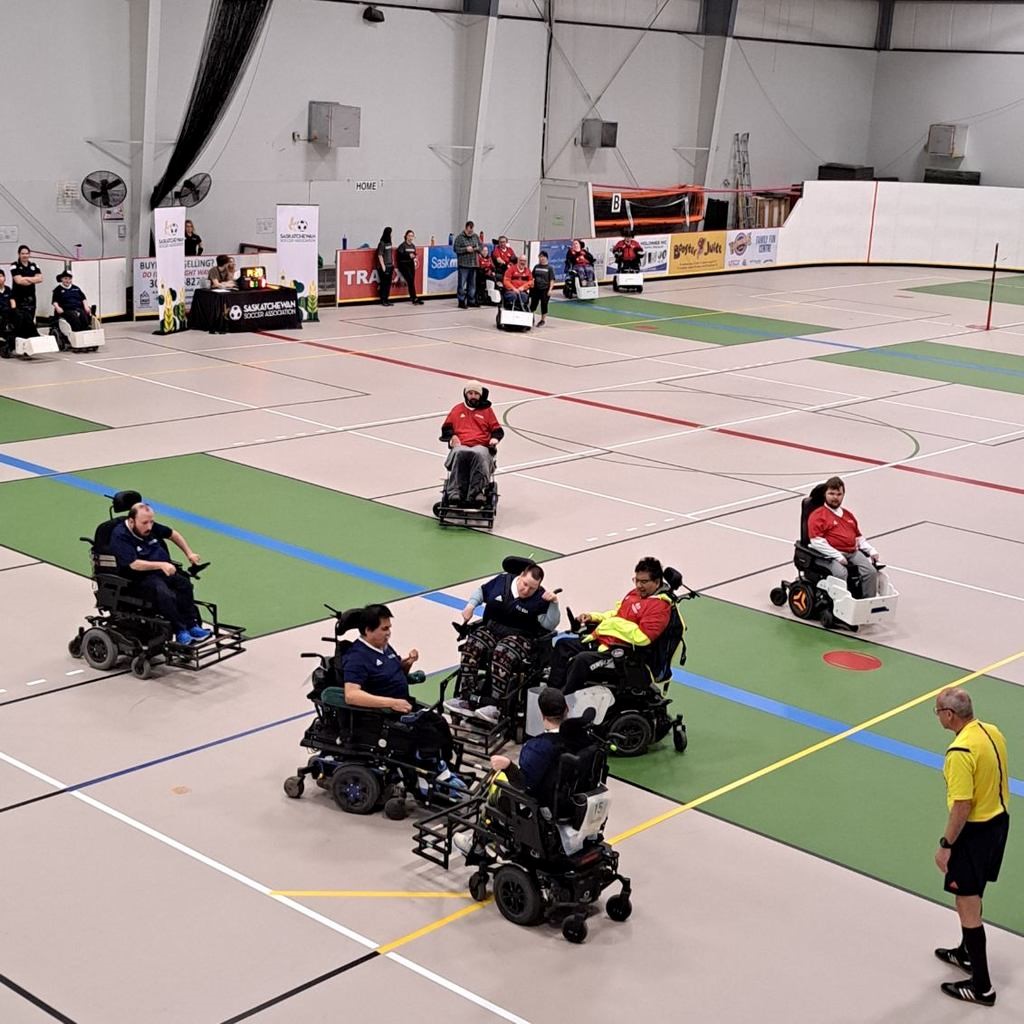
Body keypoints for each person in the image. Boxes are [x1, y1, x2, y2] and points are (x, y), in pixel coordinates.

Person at [933, 687, 1009, 1007]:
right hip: (999, 822)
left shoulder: (960, 751)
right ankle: (965, 953)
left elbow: (961, 805)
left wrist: (946, 844)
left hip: (974, 834)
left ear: (950, 715)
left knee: (967, 904)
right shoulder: (991, 732)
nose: (937, 716)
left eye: (937, 711)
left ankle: (982, 987)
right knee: (975, 894)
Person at [342, 604, 461, 787]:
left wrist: (407, 664)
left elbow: (396, 674)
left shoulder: (383, 647)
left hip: (403, 705)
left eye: (389, 628)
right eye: (384, 629)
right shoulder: (357, 658)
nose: (389, 633)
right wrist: (391, 703)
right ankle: (428, 775)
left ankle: (445, 767)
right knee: (428, 734)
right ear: (368, 630)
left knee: (440, 723)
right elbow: (352, 695)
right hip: (382, 715)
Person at [454, 687, 569, 861]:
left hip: (540, 806)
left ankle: (477, 845)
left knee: (495, 786)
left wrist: (507, 766)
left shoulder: (537, 747)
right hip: (566, 801)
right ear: (566, 709)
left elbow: (523, 784)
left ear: (541, 713)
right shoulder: (579, 741)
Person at [444, 562, 560, 723]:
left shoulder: (540, 598)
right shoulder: (502, 582)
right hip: (493, 629)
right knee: (473, 643)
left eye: (532, 588)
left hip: (521, 638)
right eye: (525, 584)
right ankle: (466, 697)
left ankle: (495, 706)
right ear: (520, 576)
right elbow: (481, 591)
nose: (526, 590)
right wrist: (470, 606)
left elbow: (549, 624)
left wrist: (554, 603)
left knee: (502, 651)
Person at [547, 557, 674, 693]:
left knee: (581, 661)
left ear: (657, 582)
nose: (638, 586)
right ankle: (551, 692)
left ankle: (561, 702)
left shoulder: (660, 607)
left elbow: (643, 637)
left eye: (643, 582)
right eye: (636, 580)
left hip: (623, 654)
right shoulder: (635, 594)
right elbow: (617, 614)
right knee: (563, 645)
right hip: (604, 641)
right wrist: (594, 617)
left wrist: (613, 625)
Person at [108, 502, 213, 647]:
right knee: (163, 592)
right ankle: (180, 630)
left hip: (161, 571)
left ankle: (192, 626)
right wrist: (161, 565)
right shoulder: (120, 535)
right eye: (145, 523)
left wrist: (189, 553)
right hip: (137, 578)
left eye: (151, 521)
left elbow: (173, 534)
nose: (149, 527)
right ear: (132, 521)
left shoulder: (149, 527)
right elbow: (133, 564)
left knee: (184, 584)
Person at [806, 476, 880, 598]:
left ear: (843, 495)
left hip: (852, 552)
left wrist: (871, 550)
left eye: (839, 494)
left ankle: (868, 602)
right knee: (840, 573)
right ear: (825, 494)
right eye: (831, 493)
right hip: (827, 555)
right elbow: (816, 542)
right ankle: (840, 605)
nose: (835, 497)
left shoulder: (849, 516)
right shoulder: (817, 515)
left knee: (870, 572)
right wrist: (837, 556)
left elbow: (859, 538)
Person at [439, 380, 503, 506]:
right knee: (459, 452)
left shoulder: (487, 411)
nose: (473, 396)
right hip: (461, 444)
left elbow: (497, 430)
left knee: (479, 454)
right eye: (470, 393)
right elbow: (446, 428)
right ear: (466, 394)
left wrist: (494, 439)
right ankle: (455, 492)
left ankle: (477, 493)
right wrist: (452, 436)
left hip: (481, 445)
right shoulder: (457, 410)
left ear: (480, 395)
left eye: (476, 394)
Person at [52, 270, 94, 339]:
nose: (68, 281)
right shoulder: (58, 290)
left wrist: (86, 307)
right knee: (74, 318)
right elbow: (54, 301)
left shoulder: (76, 288)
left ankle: (85, 335)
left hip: (78, 308)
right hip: (66, 309)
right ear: (61, 279)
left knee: (84, 316)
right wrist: (57, 308)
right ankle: (77, 336)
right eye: (65, 278)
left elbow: (83, 298)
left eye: (69, 279)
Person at [11, 245, 43, 326]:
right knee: (20, 320)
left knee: (30, 319)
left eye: (27, 253)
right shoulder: (14, 265)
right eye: (22, 253)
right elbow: (18, 281)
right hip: (18, 298)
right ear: (19, 254)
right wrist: (33, 279)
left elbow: (40, 279)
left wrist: (25, 278)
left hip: (31, 298)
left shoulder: (34, 265)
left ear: (29, 254)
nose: (25, 255)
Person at [453, 220, 482, 309]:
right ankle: (461, 301)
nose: (470, 232)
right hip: (463, 265)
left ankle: (471, 301)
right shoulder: (459, 238)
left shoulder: (475, 236)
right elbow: (455, 249)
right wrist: (466, 249)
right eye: (469, 231)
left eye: (472, 231)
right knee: (461, 284)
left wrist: (476, 248)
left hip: (473, 264)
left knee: (472, 284)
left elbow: (481, 247)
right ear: (466, 228)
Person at [396, 229, 423, 305]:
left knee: (411, 281)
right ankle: (414, 298)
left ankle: (413, 297)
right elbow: (399, 256)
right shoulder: (402, 246)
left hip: (410, 264)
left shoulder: (413, 246)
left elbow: (413, 254)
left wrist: (413, 256)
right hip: (403, 264)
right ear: (406, 236)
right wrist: (408, 255)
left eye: (412, 236)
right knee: (410, 280)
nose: (411, 237)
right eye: (409, 235)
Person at [530, 250, 554, 326]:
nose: (541, 258)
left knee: (544, 304)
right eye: (540, 257)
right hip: (536, 289)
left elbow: (552, 280)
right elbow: (532, 277)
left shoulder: (549, 268)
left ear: (546, 258)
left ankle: (542, 320)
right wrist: (532, 283)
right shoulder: (536, 267)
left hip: (545, 289)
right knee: (533, 304)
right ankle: (531, 318)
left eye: (542, 257)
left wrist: (550, 289)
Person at [0, 269, 18, 358]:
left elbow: (12, 301)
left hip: (8, 312)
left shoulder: (8, 289)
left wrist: (13, 310)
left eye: (1, 276)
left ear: (4, 278)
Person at [375, 226, 394, 306]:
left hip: (390, 265)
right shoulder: (382, 243)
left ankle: (387, 299)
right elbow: (380, 255)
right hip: (384, 266)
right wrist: (383, 266)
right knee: (384, 283)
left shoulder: (389, 243)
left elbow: (390, 254)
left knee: (388, 284)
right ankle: (383, 299)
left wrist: (392, 263)